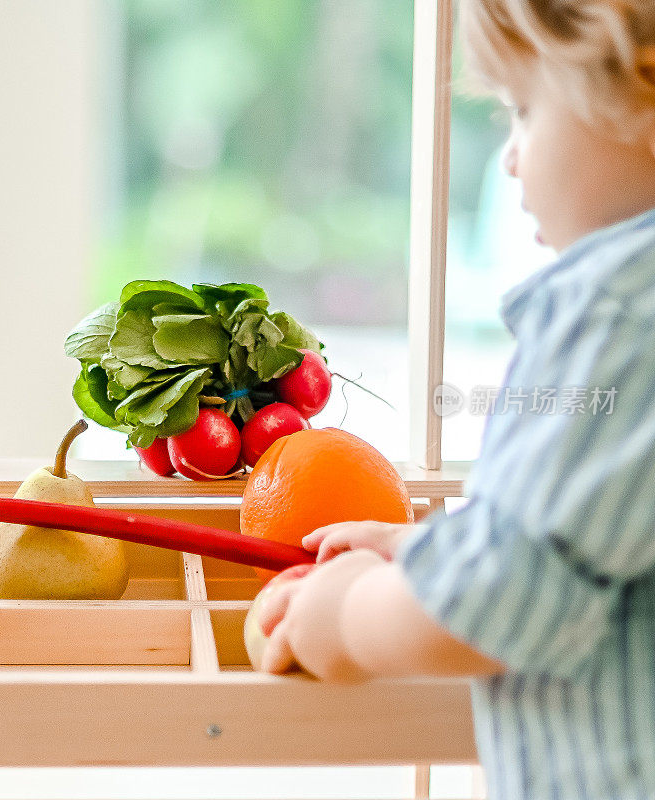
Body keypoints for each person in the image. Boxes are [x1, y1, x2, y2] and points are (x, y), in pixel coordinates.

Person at [256, 2, 655, 798]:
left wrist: (347, 619)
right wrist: (421, 554)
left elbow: (510, 602)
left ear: (641, 93)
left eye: (525, 109)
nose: (510, 160)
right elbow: (597, 537)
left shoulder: (612, 310)